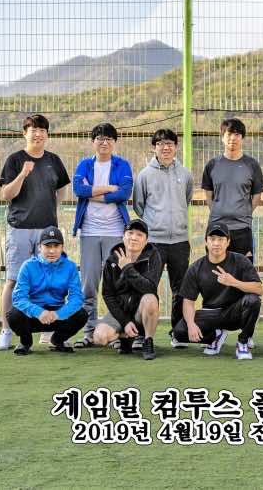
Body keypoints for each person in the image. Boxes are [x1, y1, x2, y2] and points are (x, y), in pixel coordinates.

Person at [0, 113, 70, 352]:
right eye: (33, 130)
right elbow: (6, 194)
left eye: (42, 130)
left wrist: (51, 209)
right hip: (20, 228)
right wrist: (23, 174)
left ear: (47, 134)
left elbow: (62, 189)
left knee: (49, 280)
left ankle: (48, 330)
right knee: (14, 279)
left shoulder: (53, 160)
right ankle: (6, 331)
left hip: (47, 231)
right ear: (24, 133)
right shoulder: (15, 160)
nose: (38, 134)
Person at [71, 122, 134, 347]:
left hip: (115, 232)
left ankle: (115, 331)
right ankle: (89, 332)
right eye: (99, 138)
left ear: (114, 142)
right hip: (89, 232)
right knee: (88, 285)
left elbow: (124, 193)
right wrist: (108, 188)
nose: (104, 142)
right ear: (93, 142)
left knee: (117, 284)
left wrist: (92, 192)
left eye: (108, 138)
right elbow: (78, 189)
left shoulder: (122, 165)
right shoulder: (85, 164)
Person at [132, 127, 193, 349]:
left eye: (169, 143)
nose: (165, 147)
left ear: (176, 147)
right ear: (154, 147)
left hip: (179, 240)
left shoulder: (185, 174)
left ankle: (178, 333)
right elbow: (139, 206)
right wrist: (155, 224)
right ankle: (142, 334)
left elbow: (186, 199)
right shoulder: (144, 175)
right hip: (154, 241)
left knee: (181, 289)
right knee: (147, 287)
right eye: (160, 144)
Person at [173, 224, 263, 361]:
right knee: (179, 332)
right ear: (206, 241)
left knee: (253, 300)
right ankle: (216, 335)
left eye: (221, 239)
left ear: (228, 242)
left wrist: (233, 282)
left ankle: (243, 342)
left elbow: (259, 289)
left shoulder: (240, 261)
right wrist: (191, 325)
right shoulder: (196, 268)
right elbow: (188, 302)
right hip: (211, 313)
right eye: (212, 239)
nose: (216, 243)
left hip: (234, 313)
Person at [7, 227, 88, 355]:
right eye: (47, 246)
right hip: (34, 316)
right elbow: (18, 298)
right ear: (39, 247)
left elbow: (77, 298)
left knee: (81, 314)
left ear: (62, 248)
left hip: (57, 315)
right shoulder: (28, 266)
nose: (52, 250)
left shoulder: (70, 267)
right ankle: (25, 342)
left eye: (56, 246)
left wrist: (60, 314)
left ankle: (58, 340)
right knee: (13, 315)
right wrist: (38, 312)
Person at [93, 219, 164, 361]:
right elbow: (108, 295)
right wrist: (125, 322)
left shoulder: (153, 256)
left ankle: (148, 341)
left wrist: (127, 268)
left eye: (139, 235)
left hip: (141, 311)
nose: (134, 237)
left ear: (146, 240)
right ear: (123, 236)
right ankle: (125, 337)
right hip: (121, 310)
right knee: (99, 337)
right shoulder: (112, 259)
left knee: (151, 299)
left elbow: (150, 287)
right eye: (130, 233)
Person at [201, 117, 263, 261]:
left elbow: (257, 197)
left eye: (237, 134)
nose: (233, 138)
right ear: (222, 137)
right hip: (216, 228)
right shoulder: (212, 165)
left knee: (243, 270)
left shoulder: (252, 165)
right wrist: (220, 211)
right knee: (215, 271)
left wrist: (243, 212)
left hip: (242, 229)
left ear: (242, 138)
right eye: (229, 134)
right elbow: (209, 196)